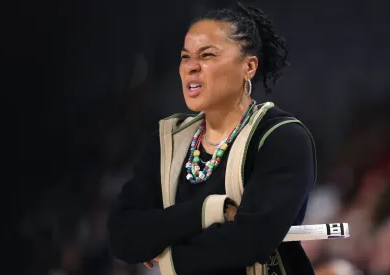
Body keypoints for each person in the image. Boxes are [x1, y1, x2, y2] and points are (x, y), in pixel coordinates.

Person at [107, 2, 316, 275]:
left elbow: (249, 242)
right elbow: (123, 237)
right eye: (185, 57)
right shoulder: (168, 140)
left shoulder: (282, 138)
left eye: (207, 55)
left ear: (249, 66)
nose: (191, 68)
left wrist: (165, 251)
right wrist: (209, 210)